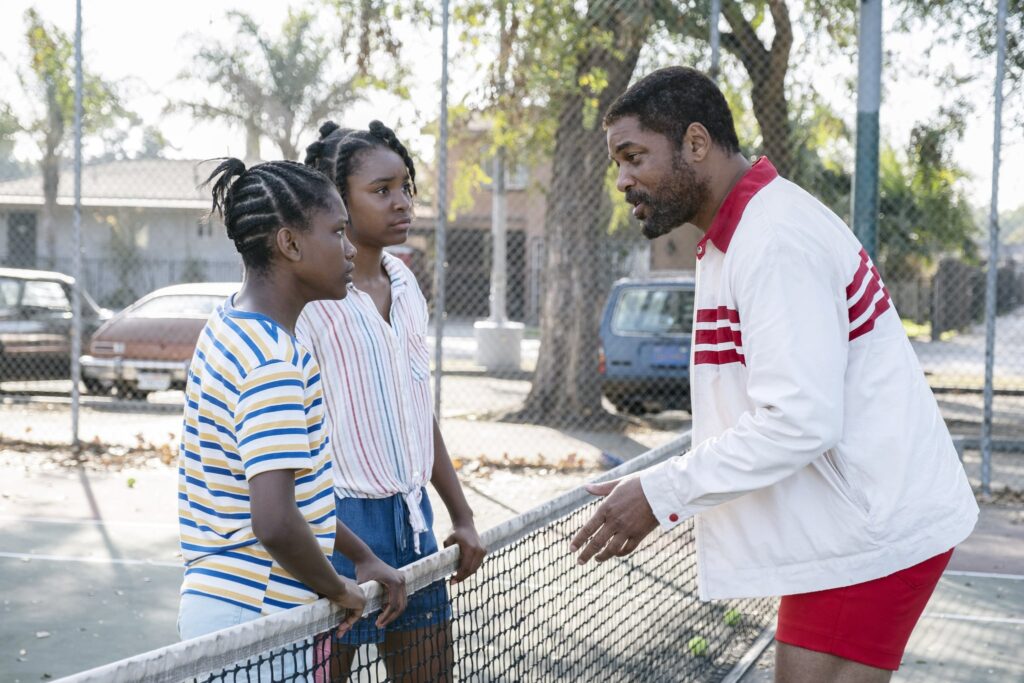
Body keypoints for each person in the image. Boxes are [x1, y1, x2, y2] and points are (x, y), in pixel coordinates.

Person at [569, 66, 978, 682]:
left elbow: (798, 421)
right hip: (854, 522)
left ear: (697, 143)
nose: (623, 180)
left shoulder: (774, 238)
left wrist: (661, 494)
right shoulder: (737, 233)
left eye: (634, 157)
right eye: (618, 163)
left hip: (872, 528)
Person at [300, 120, 486, 681]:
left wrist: (462, 514)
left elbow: (415, 408)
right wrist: (347, 545)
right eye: (381, 191)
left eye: (404, 186)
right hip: (337, 531)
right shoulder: (309, 298)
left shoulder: (405, 284)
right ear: (337, 200)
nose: (401, 202)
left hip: (414, 525)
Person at [176, 158, 368, 677]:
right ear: (290, 244)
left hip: (226, 608)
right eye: (337, 231)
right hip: (257, 616)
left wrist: (363, 555)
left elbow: (290, 497)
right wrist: (340, 588)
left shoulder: (228, 325)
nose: (350, 248)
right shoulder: (273, 362)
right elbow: (275, 521)